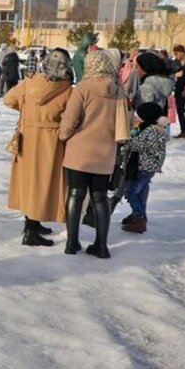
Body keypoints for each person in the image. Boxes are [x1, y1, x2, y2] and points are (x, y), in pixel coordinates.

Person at [3, 48, 73, 246]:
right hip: (51, 141)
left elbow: (8, 99)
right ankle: (31, 230)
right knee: (43, 183)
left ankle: (32, 222)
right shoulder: (68, 89)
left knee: (29, 182)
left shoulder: (30, 82)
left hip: (26, 138)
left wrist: (26, 110)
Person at [59, 50, 124, 258]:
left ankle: (71, 242)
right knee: (100, 197)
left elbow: (70, 120)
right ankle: (101, 245)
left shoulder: (82, 88)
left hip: (80, 151)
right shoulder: (117, 90)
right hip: (105, 153)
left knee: (75, 194)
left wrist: (63, 135)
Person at [119, 102, 170, 234]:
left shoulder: (150, 131)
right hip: (149, 167)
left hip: (143, 167)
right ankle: (139, 215)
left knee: (131, 192)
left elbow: (135, 145)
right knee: (140, 193)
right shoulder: (156, 129)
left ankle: (139, 216)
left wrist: (125, 141)